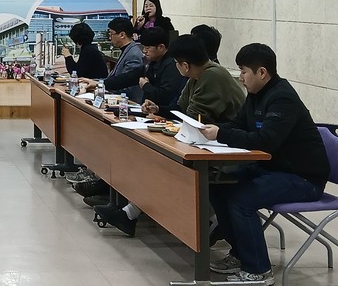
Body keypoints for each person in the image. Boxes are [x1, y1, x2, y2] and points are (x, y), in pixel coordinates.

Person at [202, 44, 329, 285]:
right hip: (273, 170)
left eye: (243, 71)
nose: (240, 77)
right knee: (219, 186)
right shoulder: (255, 95)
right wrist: (208, 130)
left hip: (303, 178)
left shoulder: (282, 98)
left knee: (241, 199)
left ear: (262, 72)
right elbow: (238, 125)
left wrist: (221, 134)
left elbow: (266, 141)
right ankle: (240, 254)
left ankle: (259, 270)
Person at [95, 35, 245, 236]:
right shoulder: (198, 76)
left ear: (185, 65)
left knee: (164, 165)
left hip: (227, 149)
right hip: (204, 141)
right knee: (155, 160)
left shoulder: (212, 76)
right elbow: (181, 109)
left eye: (176, 63)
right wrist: (158, 109)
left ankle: (132, 214)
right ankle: (130, 213)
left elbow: (194, 117)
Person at [80, 17, 145, 103]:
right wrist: (94, 82)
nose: (110, 37)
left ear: (122, 35)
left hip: (127, 102)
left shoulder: (133, 55)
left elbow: (127, 87)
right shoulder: (127, 50)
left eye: (111, 34)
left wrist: (99, 86)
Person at [138, 27, 187, 107]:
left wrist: (146, 85)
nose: (144, 51)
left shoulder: (172, 65)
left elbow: (165, 96)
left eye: (147, 48)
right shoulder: (154, 61)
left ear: (161, 47)